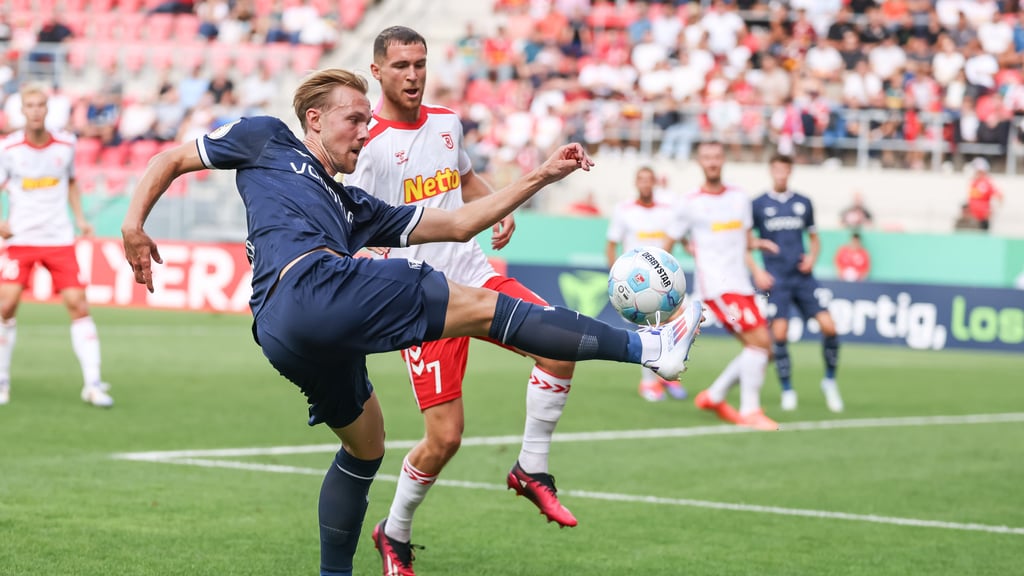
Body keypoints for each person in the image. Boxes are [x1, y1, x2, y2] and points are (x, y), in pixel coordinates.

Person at [120, 68, 705, 576]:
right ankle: (650, 345)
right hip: (311, 284)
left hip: (281, 330)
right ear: (314, 119)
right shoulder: (266, 137)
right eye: (354, 119)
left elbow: (454, 225)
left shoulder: (352, 206)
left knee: (367, 446)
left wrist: (539, 179)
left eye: (369, 120)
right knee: (478, 307)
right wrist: (133, 223)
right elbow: (171, 158)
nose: (365, 130)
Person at [346, 27, 578, 574]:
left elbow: (467, 178)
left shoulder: (447, 123)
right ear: (377, 72)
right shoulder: (366, 144)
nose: (413, 75)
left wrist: (500, 206)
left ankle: (531, 469)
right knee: (444, 440)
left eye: (420, 63)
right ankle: (393, 533)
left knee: (561, 344)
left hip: (474, 275)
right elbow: (349, 225)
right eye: (401, 65)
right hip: (420, 301)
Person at [0, 83, 112, 407]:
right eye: (30, 105)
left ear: (47, 109)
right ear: (22, 110)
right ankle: (3, 381)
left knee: (78, 304)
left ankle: (93, 383)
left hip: (59, 237)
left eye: (40, 105)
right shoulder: (8, 148)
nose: (35, 110)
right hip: (21, 238)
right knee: (6, 307)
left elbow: (73, 181)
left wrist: (80, 218)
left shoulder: (66, 143)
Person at [664, 140, 776, 431]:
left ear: (723, 159)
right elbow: (668, 244)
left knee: (763, 348)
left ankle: (714, 396)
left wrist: (758, 258)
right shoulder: (688, 202)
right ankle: (750, 411)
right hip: (717, 288)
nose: (712, 162)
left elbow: (745, 240)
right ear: (699, 162)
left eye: (716, 156)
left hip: (742, 284)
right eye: (706, 157)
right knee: (761, 344)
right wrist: (665, 285)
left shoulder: (740, 197)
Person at [751, 154, 844, 413]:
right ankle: (788, 389)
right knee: (779, 335)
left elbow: (814, 238)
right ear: (771, 170)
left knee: (830, 327)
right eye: (777, 168)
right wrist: (758, 268)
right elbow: (745, 241)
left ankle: (829, 381)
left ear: (790, 171)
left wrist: (813, 258)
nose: (781, 173)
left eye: (785, 169)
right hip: (776, 279)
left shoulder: (803, 203)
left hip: (802, 277)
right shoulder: (758, 204)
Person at [606, 166, 686, 402]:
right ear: (636, 182)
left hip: (664, 284)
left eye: (649, 180)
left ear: (655, 183)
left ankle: (663, 377)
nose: (645, 184)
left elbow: (677, 235)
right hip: (636, 286)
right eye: (641, 179)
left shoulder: (667, 210)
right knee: (651, 332)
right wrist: (616, 279)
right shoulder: (624, 210)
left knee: (674, 330)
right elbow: (611, 245)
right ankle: (649, 383)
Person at [965, 157, 1003, 231]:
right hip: (973, 217)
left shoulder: (986, 182)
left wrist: (993, 210)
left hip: (982, 219)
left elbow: (999, 196)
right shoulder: (974, 182)